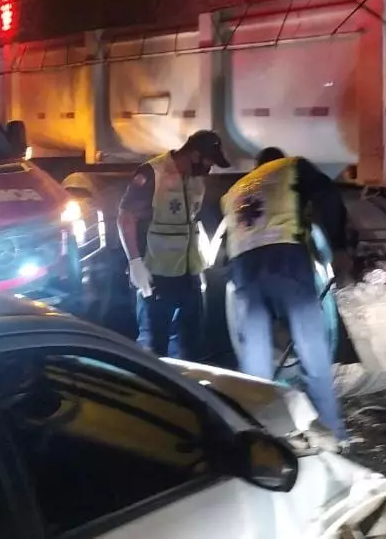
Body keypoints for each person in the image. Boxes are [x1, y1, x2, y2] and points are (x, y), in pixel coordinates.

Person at [220, 146, 352, 442]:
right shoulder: (291, 167)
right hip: (286, 264)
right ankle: (332, 435)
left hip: (244, 271)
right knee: (312, 354)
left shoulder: (234, 190)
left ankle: (260, 438)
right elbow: (327, 196)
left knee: (255, 364)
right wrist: (339, 246)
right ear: (277, 160)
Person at [117, 130, 231, 360]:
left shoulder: (196, 179)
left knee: (192, 344)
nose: (209, 170)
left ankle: (185, 389)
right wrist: (135, 261)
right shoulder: (152, 173)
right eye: (208, 163)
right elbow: (126, 216)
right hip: (156, 274)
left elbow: (192, 221)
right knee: (154, 346)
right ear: (195, 155)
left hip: (189, 274)